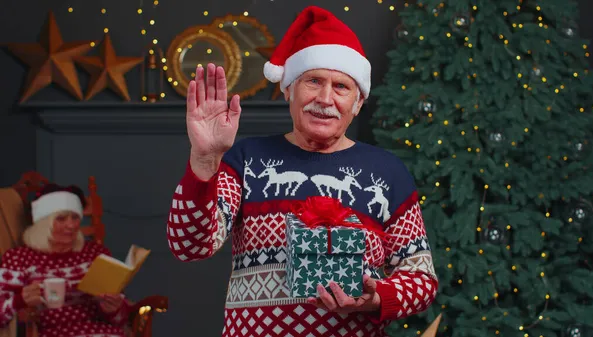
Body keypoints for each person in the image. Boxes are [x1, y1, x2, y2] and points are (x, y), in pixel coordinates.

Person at [166, 5, 438, 336]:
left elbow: (420, 278)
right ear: (289, 90)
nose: (325, 98)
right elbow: (190, 245)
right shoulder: (247, 159)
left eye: (341, 87)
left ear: (357, 103)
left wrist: (377, 297)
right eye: (313, 81)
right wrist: (205, 159)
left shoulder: (386, 172)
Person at [0, 184, 131, 337]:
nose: (72, 225)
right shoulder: (19, 258)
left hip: (101, 332)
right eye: (61, 219)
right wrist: (19, 300)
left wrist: (113, 308)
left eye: (75, 217)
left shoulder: (95, 253)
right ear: (43, 223)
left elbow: (121, 320)